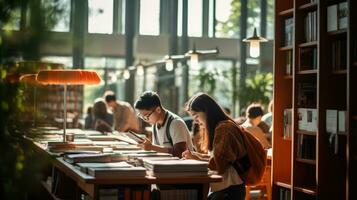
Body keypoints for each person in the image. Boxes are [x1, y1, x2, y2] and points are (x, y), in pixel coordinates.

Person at [182, 93, 246, 200]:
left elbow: (218, 165)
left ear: (207, 111)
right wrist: (199, 156)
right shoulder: (219, 127)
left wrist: (197, 158)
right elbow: (219, 158)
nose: (196, 121)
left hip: (229, 190)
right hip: (225, 188)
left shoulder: (224, 129)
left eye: (196, 116)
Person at [134, 91, 193, 158]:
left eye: (147, 116)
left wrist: (152, 147)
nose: (145, 120)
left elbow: (181, 153)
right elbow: (157, 152)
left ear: (158, 110)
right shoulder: (155, 124)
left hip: (184, 166)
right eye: (142, 117)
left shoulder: (175, 123)